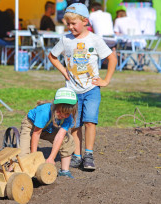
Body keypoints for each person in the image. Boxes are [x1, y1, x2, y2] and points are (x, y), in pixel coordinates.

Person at [48, 3, 117, 170]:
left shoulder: (95, 39)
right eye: (68, 24)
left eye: (74, 24)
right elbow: (52, 56)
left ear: (85, 21)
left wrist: (106, 80)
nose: (70, 27)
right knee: (75, 124)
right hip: (72, 92)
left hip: (91, 89)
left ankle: (89, 155)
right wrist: (64, 72)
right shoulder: (66, 40)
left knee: (89, 122)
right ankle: (76, 156)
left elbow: (112, 58)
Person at [19, 87, 78, 178]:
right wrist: (34, 157)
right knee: (23, 156)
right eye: (59, 112)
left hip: (49, 128)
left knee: (68, 141)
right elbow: (36, 133)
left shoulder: (68, 117)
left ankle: (64, 171)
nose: (62, 115)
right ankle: (24, 172)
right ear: (55, 105)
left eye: (66, 114)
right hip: (31, 126)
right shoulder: (44, 112)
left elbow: (59, 136)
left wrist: (51, 158)